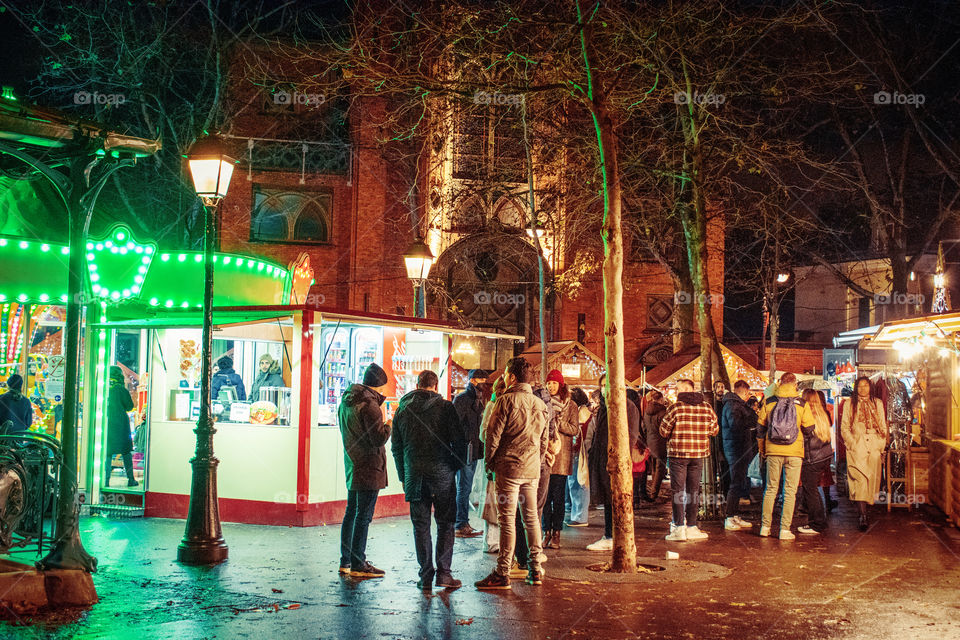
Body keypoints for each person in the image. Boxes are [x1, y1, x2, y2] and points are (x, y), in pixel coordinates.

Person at [475, 357, 548, 590]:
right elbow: (544, 442)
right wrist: (537, 460)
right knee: (531, 519)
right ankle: (535, 569)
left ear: (512, 377)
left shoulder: (505, 401)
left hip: (508, 469)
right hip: (531, 469)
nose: (504, 378)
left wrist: (489, 463)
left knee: (507, 521)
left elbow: (492, 437)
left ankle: (503, 571)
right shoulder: (540, 405)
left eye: (506, 374)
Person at [391, 370, 463, 590]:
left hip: (415, 476)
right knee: (446, 524)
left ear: (417, 384)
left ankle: (425, 576)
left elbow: (396, 447)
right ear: (436, 385)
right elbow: (459, 442)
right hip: (442, 474)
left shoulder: (403, 409)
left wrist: (403, 476)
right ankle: (444, 573)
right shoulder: (446, 408)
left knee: (420, 526)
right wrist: (454, 467)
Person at [338, 363, 391, 577]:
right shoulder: (370, 406)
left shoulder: (346, 401)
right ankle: (359, 563)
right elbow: (377, 438)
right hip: (369, 466)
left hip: (352, 462)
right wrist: (388, 424)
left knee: (351, 512)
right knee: (363, 516)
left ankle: (346, 560)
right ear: (379, 386)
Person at [586, 373, 641, 551]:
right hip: (602, 458)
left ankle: (613, 536)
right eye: (602, 385)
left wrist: (619, 456)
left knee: (616, 498)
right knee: (609, 498)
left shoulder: (627, 406)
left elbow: (632, 434)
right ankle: (610, 534)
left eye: (608, 385)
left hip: (616, 460)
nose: (604, 389)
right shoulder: (603, 407)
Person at [659, 379, 719, 542]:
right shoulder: (706, 407)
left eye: (678, 389)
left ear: (685, 389)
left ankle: (679, 527)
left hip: (678, 454)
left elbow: (663, 431)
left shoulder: (676, 408)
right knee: (693, 491)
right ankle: (692, 526)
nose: (676, 392)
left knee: (678, 491)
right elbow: (714, 430)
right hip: (698, 454)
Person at [757, 372, 814, 540]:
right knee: (790, 491)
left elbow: (760, 429)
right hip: (795, 452)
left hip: (773, 451)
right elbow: (810, 428)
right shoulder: (802, 403)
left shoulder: (769, 401)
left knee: (770, 489)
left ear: (779, 383)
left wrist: (763, 450)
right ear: (795, 384)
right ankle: (784, 530)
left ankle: (765, 527)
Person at [841, 376, 888, 532]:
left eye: (865, 385)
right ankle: (862, 516)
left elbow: (883, 424)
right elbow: (845, 427)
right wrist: (852, 443)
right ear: (856, 388)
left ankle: (865, 510)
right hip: (858, 445)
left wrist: (881, 445)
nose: (862, 389)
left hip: (874, 445)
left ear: (870, 387)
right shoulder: (849, 403)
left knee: (871, 482)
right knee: (859, 479)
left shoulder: (878, 403)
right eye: (859, 386)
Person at [541, 369, 580, 549]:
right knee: (544, 498)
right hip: (545, 457)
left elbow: (574, 429)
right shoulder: (542, 403)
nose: (551, 386)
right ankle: (545, 531)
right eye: (549, 383)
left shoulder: (570, 405)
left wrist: (558, 422)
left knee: (558, 498)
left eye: (554, 383)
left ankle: (556, 533)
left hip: (562, 458)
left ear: (561, 385)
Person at [452, 369, 487, 538]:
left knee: (466, 488)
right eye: (481, 380)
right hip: (465, 450)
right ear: (473, 380)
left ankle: (462, 522)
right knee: (463, 488)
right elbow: (455, 425)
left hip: (474, 450)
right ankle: (460, 524)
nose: (484, 384)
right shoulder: (462, 399)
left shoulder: (479, 399)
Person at [720, 380, 756, 531]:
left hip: (737, 448)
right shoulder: (734, 405)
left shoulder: (734, 404)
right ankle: (729, 517)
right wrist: (751, 420)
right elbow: (736, 425)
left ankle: (733, 515)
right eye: (747, 393)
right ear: (743, 391)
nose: (748, 396)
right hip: (736, 449)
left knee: (739, 481)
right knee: (735, 483)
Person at [797, 388, 834, 535]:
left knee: (810, 490)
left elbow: (806, 439)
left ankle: (817, 523)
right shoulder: (822, 413)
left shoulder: (807, 415)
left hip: (812, 458)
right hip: (823, 457)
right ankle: (820, 521)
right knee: (813, 490)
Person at [478, 379, 504, 553]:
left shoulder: (501, 405)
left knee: (500, 502)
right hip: (493, 460)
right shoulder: (492, 406)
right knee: (492, 502)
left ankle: (497, 540)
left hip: (501, 461)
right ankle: (491, 541)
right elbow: (483, 434)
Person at [105, 366, 137, 487]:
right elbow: (129, 406)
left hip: (107, 422)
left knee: (107, 453)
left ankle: (105, 481)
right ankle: (131, 479)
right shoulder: (121, 389)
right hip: (121, 424)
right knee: (126, 452)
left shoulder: (105, 388)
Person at [566, 387, 592, 526]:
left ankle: (580, 516)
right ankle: (577, 514)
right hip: (579, 452)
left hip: (580, 452)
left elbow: (580, 434)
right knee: (576, 482)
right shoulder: (584, 412)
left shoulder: (582, 414)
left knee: (579, 482)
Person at [643, 389, 669, 503]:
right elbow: (665, 429)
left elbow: (644, 428)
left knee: (654, 467)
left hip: (650, 442)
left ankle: (653, 491)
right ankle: (654, 494)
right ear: (660, 399)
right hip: (660, 442)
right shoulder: (663, 412)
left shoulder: (647, 412)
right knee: (660, 469)